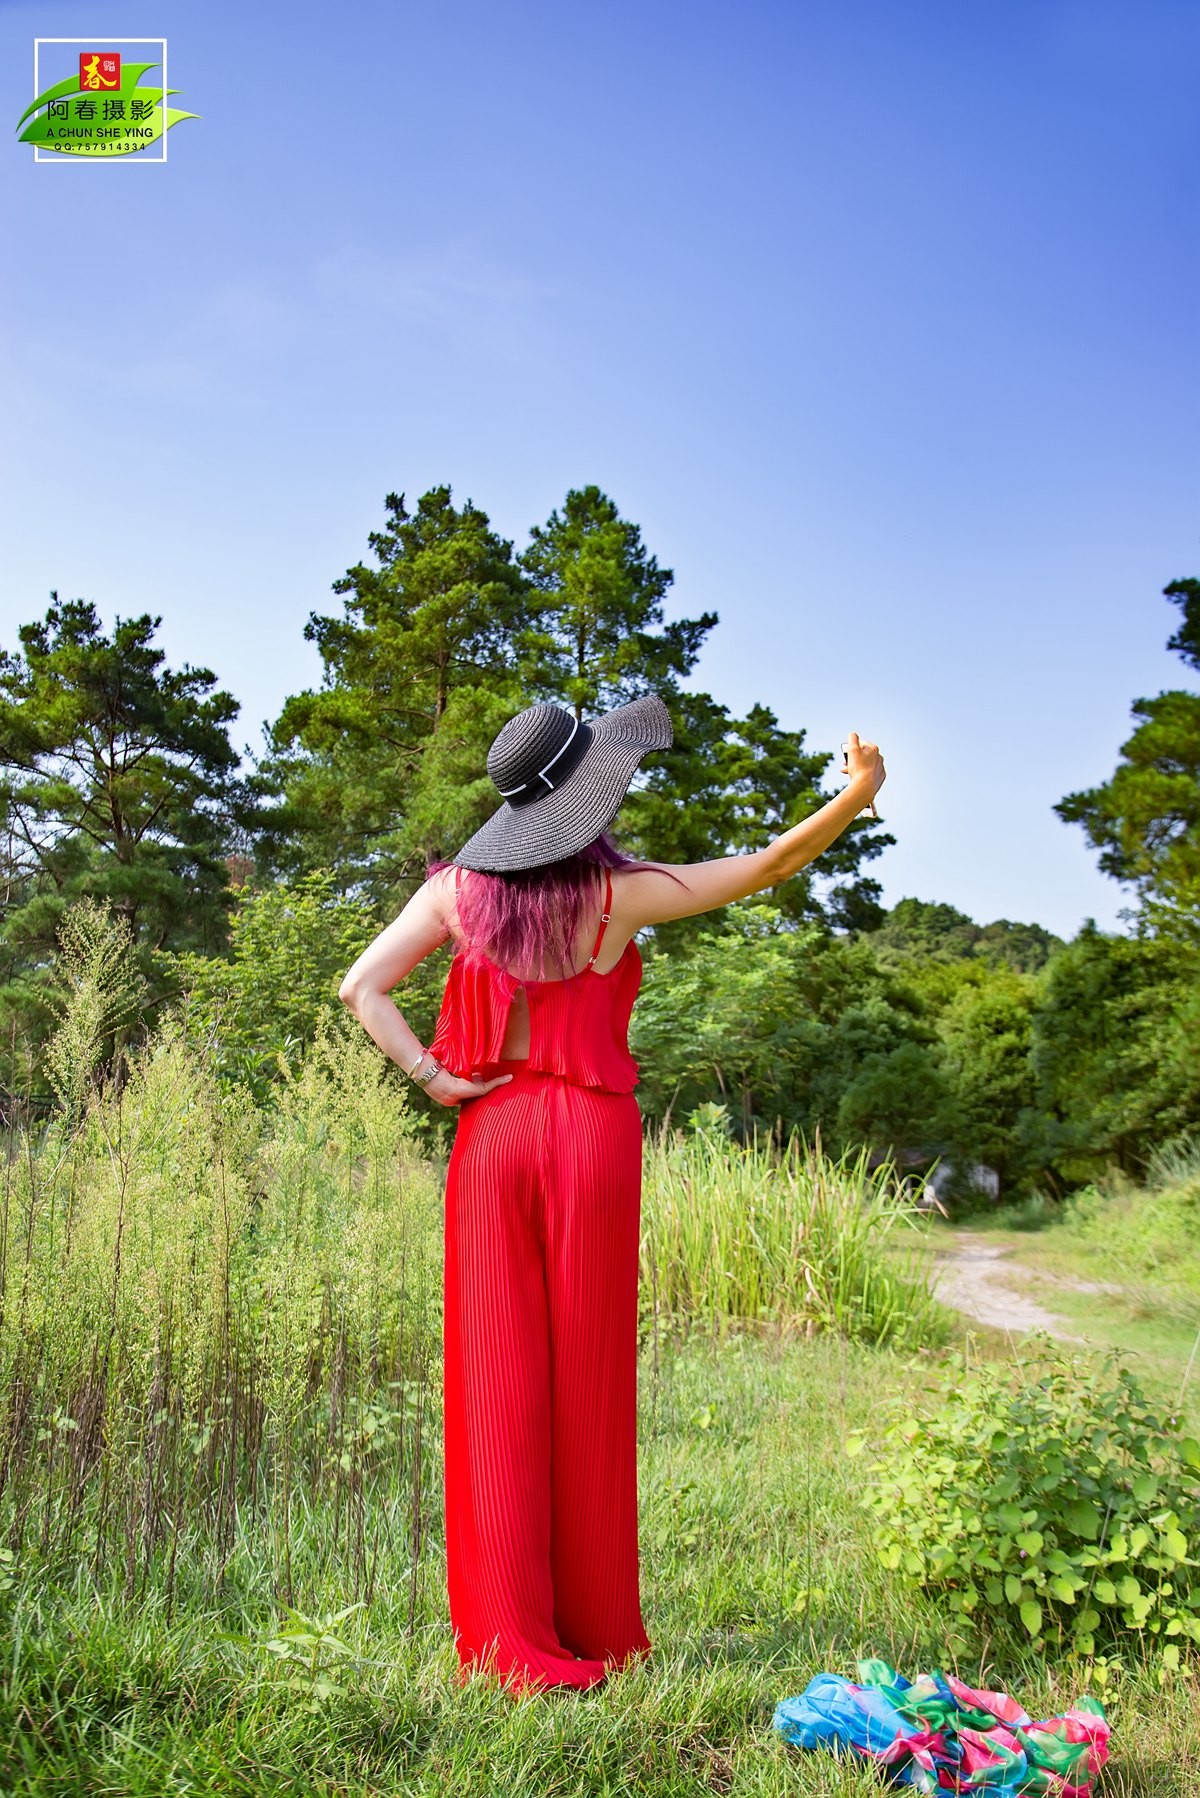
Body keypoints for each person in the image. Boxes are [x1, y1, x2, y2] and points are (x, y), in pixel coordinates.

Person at [338, 695, 886, 1698]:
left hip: (492, 1132)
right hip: (591, 1138)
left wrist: (432, 1076)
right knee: (588, 1378)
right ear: (587, 799)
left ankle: (508, 1640)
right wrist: (860, 790)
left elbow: (361, 986)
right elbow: (767, 865)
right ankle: (594, 1625)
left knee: (497, 1379)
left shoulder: (457, 892)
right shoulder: (618, 895)